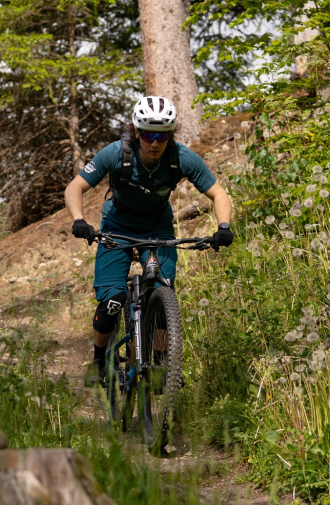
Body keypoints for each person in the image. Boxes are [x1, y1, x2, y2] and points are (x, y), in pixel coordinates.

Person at [63, 96, 233, 385]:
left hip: (157, 228)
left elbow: (219, 193)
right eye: (148, 135)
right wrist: (79, 220)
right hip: (117, 227)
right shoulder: (116, 154)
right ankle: (98, 361)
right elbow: (75, 187)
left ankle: (159, 363)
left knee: (163, 288)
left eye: (162, 135)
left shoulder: (181, 157)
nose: (155, 143)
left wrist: (224, 226)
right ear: (136, 132)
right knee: (113, 301)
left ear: (171, 135)